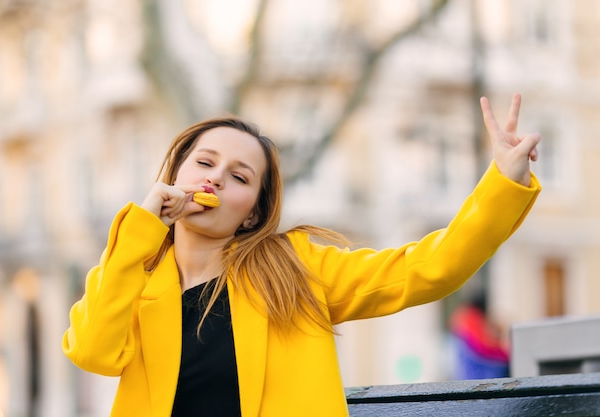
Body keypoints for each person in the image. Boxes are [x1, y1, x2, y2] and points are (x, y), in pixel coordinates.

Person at [62, 94, 541, 417]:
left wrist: (503, 181)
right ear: (175, 173)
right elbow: (91, 352)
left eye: (240, 176)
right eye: (204, 163)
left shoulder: (296, 268)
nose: (215, 178)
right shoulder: (132, 276)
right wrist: (142, 230)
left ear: (251, 214)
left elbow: (432, 269)